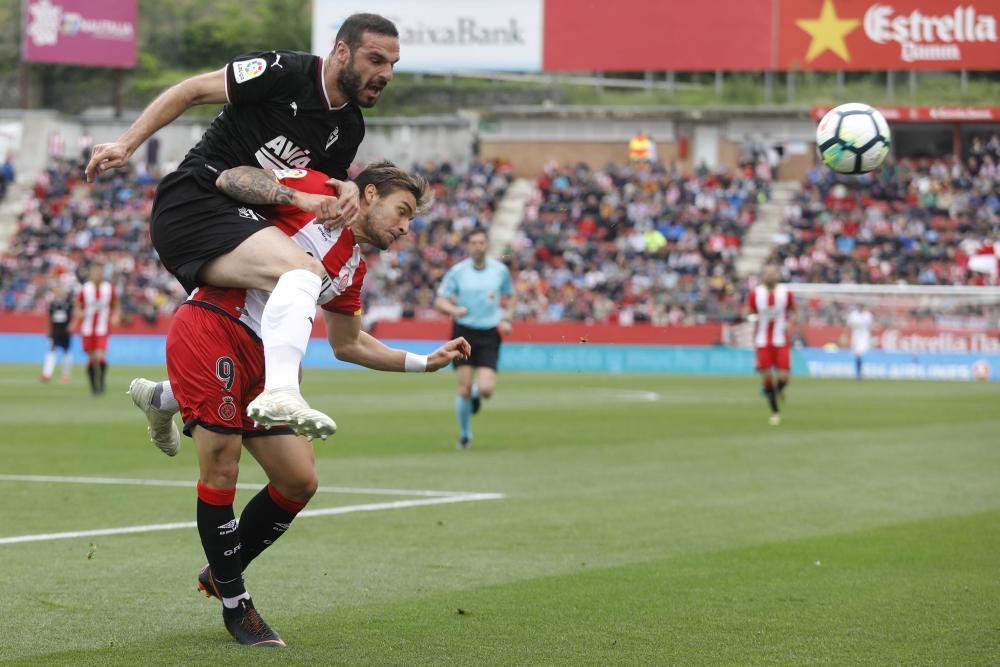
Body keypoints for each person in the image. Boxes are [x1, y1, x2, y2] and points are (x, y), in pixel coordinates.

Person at [127, 162, 470, 647]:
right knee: (222, 465)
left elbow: (348, 343)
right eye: (403, 211)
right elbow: (232, 178)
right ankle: (235, 604)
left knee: (298, 480)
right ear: (369, 194)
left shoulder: (353, 267)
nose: (405, 227)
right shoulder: (318, 191)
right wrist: (306, 198)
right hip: (213, 324)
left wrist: (423, 362)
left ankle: (168, 404)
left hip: (265, 361)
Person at [85, 13, 400, 439]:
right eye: (376, 59)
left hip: (243, 221)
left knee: (260, 323)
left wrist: (342, 190)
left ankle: (165, 398)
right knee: (301, 272)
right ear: (341, 51)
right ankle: (281, 392)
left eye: (392, 64)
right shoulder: (283, 72)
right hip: (195, 199)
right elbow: (193, 90)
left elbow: (314, 188)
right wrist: (127, 143)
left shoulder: (348, 128)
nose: (385, 73)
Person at [434, 228, 517, 449]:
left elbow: (511, 296)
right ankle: (465, 435)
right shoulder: (458, 272)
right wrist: (454, 309)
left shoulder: (500, 271)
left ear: (487, 245)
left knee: (487, 389)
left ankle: (475, 393)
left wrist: (507, 319)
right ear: (469, 246)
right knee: (462, 388)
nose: (478, 246)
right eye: (474, 242)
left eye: (481, 242)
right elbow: (440, 300)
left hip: (490, 333)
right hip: (464, 333)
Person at [746, 265, 795, 426]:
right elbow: (748, 311)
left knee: (783, 377)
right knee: (767, 376)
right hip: (762, 341)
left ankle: (778, 390)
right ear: (763, 276)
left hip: (781, 339)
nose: (770, 276)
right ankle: (775, 412)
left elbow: (795, 310)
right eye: (767, 274)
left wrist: (791, 322)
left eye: (773, 274)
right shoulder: (756, 294)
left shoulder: (785, 293)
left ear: (777, 275)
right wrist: (751, 317)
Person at [69, 263, 119, 396]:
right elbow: (78, 306)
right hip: (87, 329)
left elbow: (115, 304)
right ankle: (94, 388)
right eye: (95, 272)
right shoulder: (85, 289)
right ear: (91, 274)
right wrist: (78, 315)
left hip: (102, 329)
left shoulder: (108, 288)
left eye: (99, 272)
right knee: (91, 358)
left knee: (100, 356)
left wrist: (115, 315)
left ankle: (101, 383)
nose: (97, 274)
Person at [40, 284, 74, 384]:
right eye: (56, 291)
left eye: (60, 291)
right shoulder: (52, 304)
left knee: (66, 352)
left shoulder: (69, 304)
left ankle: (66, 376)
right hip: (55, 331)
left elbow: (74, 315)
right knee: (51, 351)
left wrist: (72, 325)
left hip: (65, 331)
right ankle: (47, 374)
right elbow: (49, 319)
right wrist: (48, 331)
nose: (58, 293)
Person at [845, 303, 874, 381]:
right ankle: (859, 373)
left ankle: (861, 372)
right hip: (856, 336)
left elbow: (871, 327)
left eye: (862, 306)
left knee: (861, 353)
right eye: (860, 306)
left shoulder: (868, 315)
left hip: (865, 336)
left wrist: (872, 338)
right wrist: (845, 336)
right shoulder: (853, 315)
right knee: (857, 354)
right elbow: (848, 326)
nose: (861, 308)